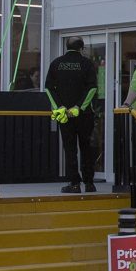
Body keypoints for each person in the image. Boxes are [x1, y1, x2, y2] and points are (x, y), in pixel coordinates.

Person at [44, 36, 101, 193]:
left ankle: (74, 183)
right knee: (86, 147)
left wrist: (59, 107)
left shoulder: (56, 64)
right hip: (84, 115)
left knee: (70, 149)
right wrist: (79, 107)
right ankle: (89, 182)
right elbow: (92, 88)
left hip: (64, 115)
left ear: (66, 47)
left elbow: (49, 88)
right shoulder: (87, 64)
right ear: (81, 48)